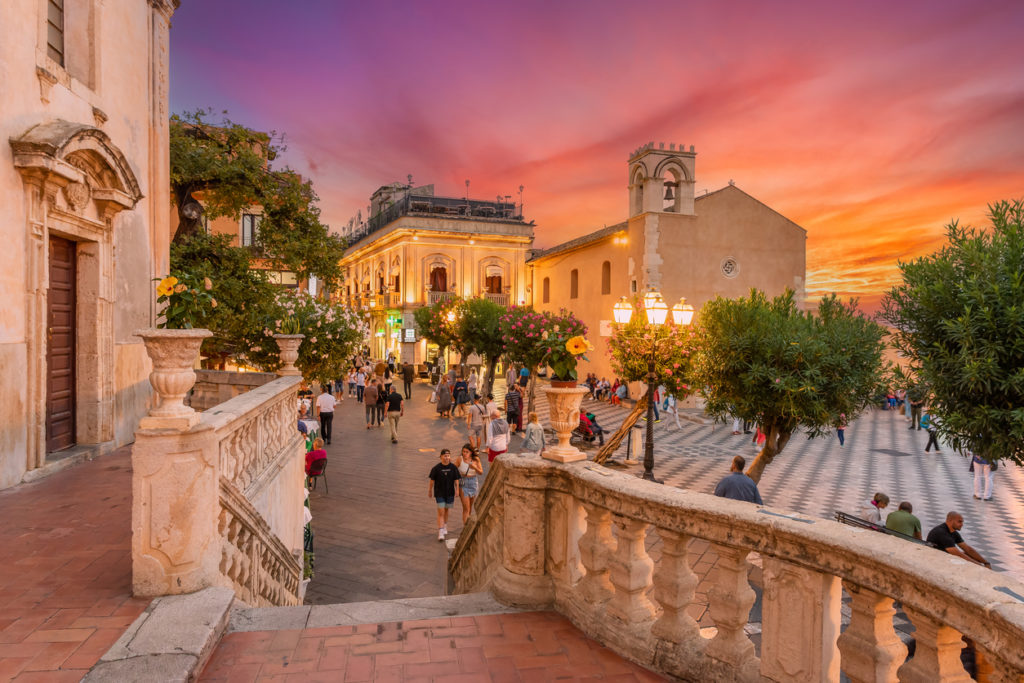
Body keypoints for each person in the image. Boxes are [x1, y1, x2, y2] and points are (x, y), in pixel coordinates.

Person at [926, 511, 991, 568]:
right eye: (959, 522)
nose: (962, 524)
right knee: (965, 558)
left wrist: (986, 562)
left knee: (969, 555)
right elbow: (958, 554)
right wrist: (980, 566)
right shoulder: (942, 533)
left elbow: (968, 549)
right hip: (934, 560)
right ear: (950, 521)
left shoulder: (953, 532)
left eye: (962, 522)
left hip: (944, 556)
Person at [428, 449, 461, 542]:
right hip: (439, 493)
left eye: (448, 456)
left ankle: (445, 525)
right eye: (445, 456)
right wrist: (430, 490)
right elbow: (432, 481)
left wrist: (457, 490)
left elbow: (456, 480)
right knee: (441, 511)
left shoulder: (453, 467)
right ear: (441, 457)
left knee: (446, 510)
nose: (447, 458)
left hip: (450, 492)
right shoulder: (436, 468)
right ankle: (440, 531)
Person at [455, 444, 483, 524]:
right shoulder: (459, 459)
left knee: (470, 507)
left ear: (471, 452)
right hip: (463, 483)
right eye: (463, 451)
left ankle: (468, 525)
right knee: (466, 508)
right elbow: (453, 469)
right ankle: (465, 529)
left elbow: (481, 472)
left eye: (466, 452)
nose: (464, 453)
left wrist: (474, 467)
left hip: (473, 482)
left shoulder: (476, 459)